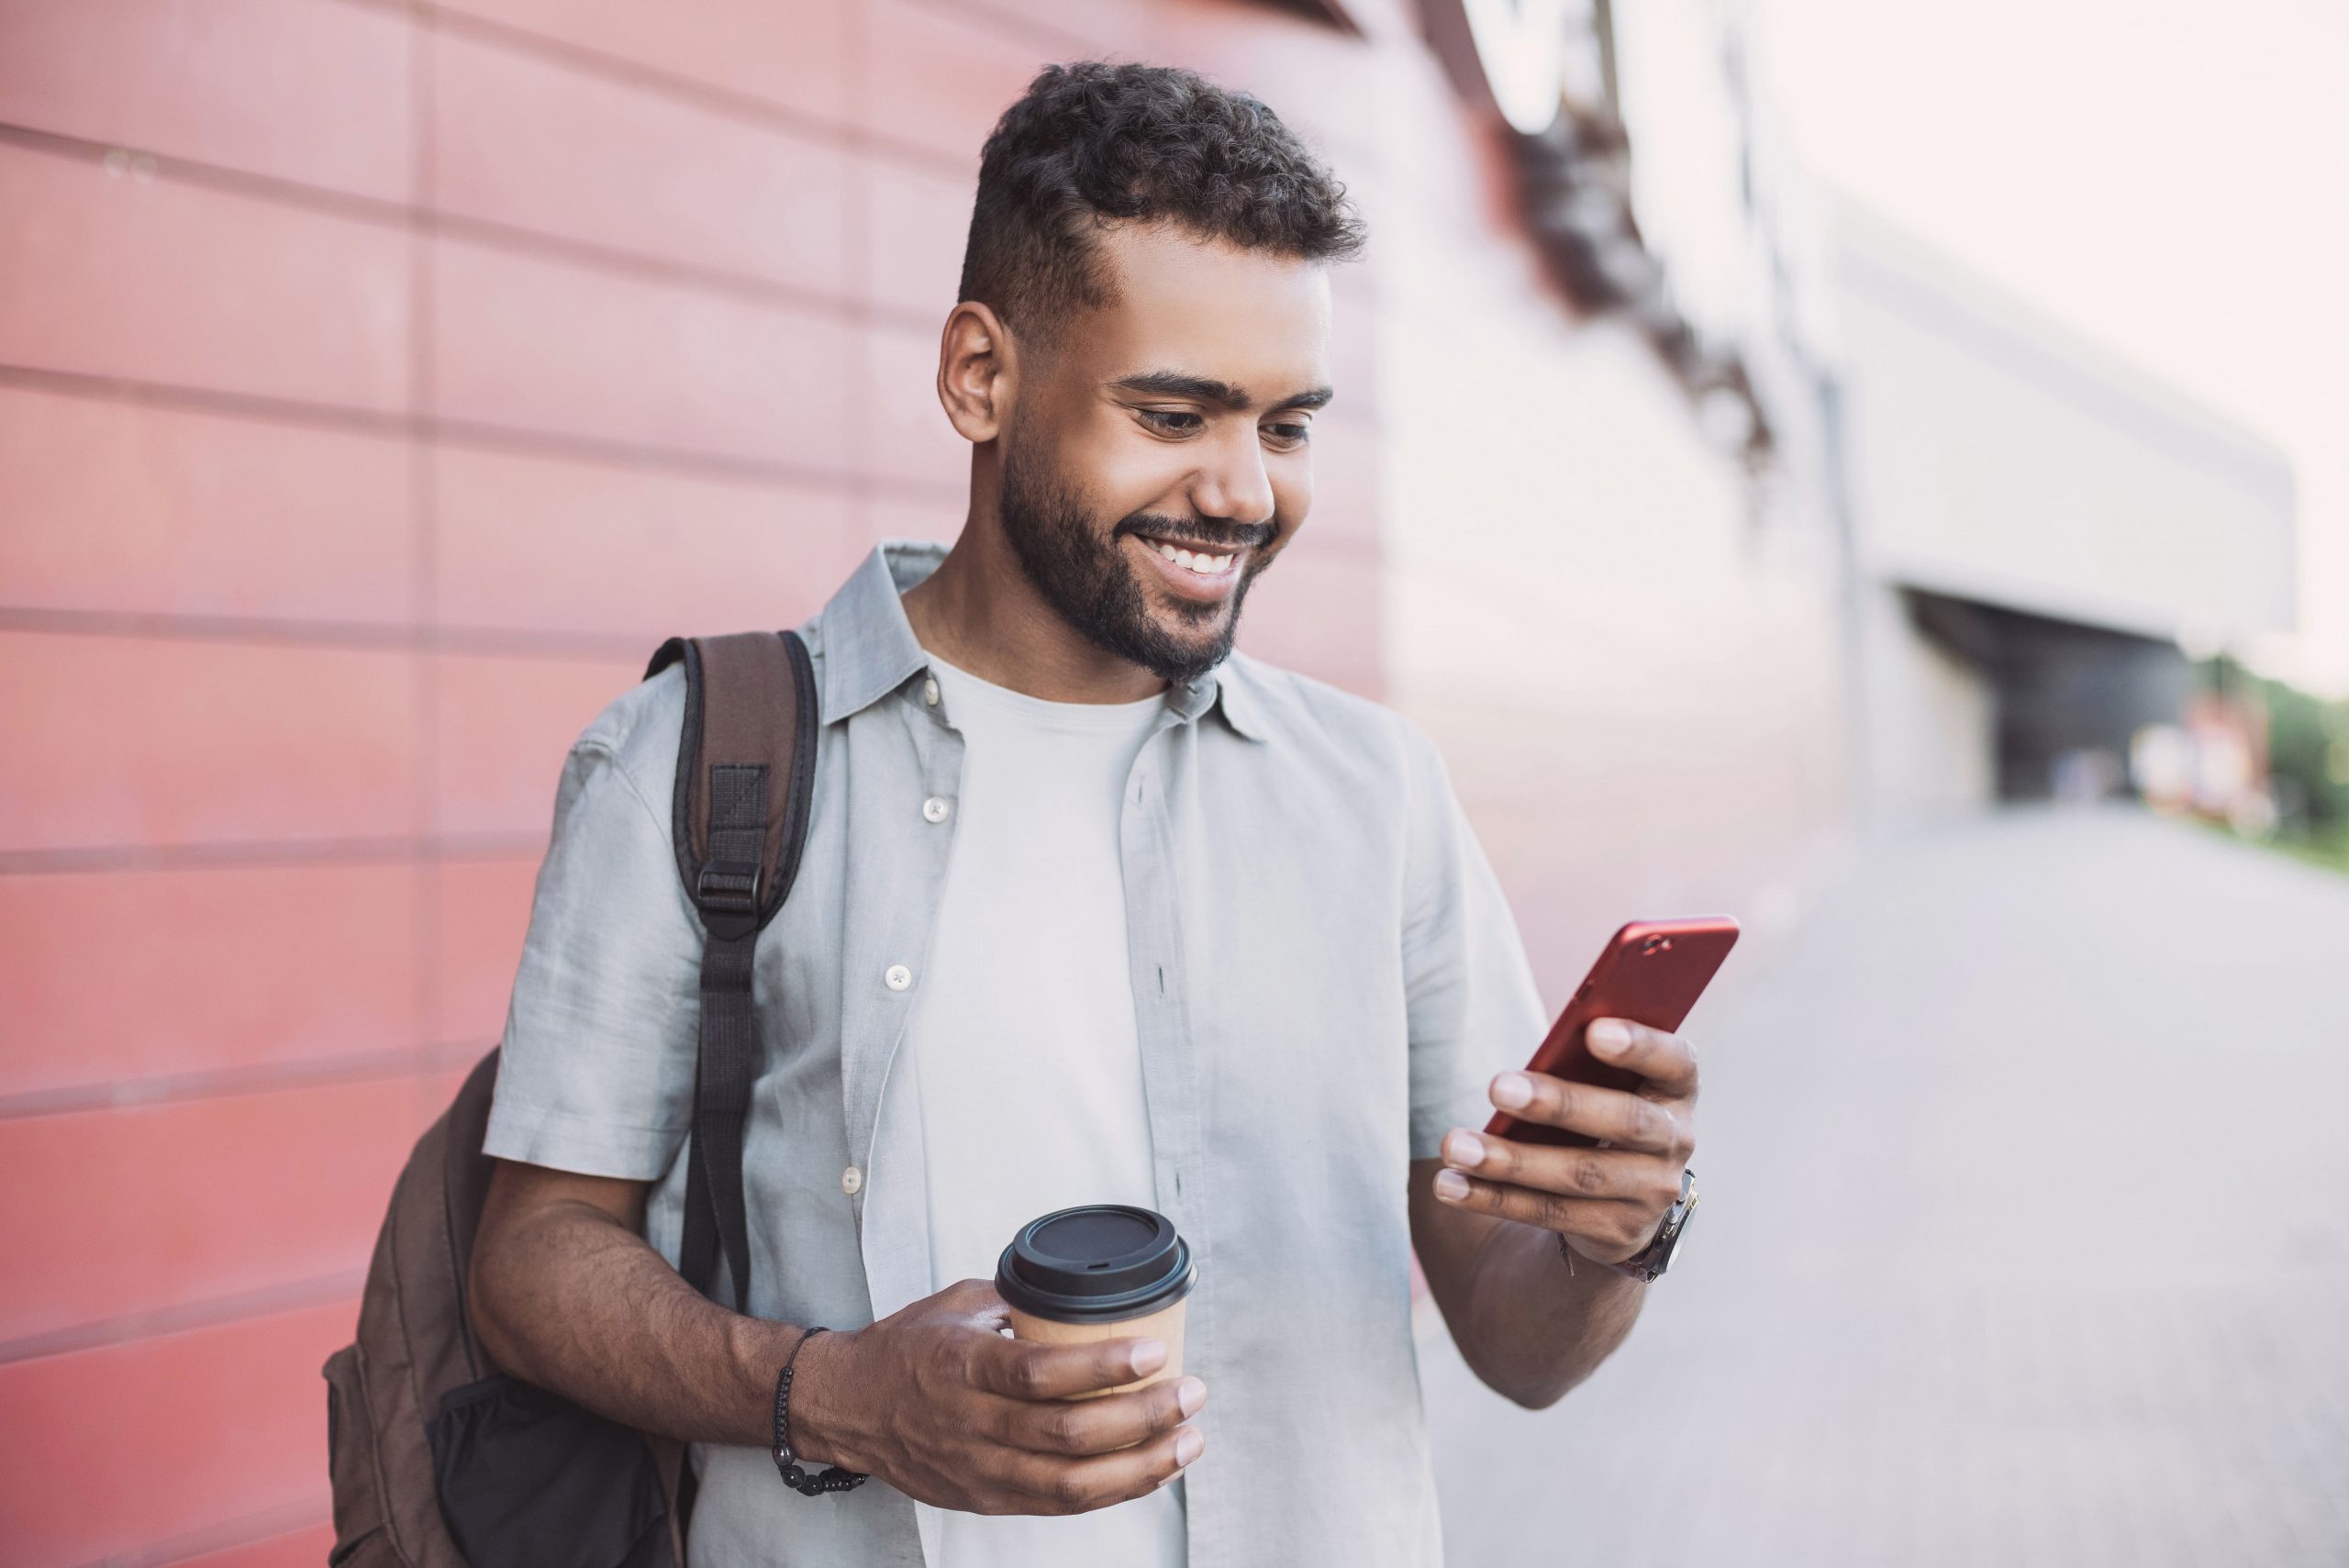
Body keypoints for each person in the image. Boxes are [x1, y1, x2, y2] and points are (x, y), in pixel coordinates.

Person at [468, 60, 1700, 1568]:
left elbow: (1524, 1342)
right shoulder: (695, 760)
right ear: (981, 375)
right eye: (1176, 410)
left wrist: (1610, 1232)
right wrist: (839, 1395)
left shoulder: (1376, 796)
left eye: (1289, 424)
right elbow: (528, 1266)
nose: (1245, 491)